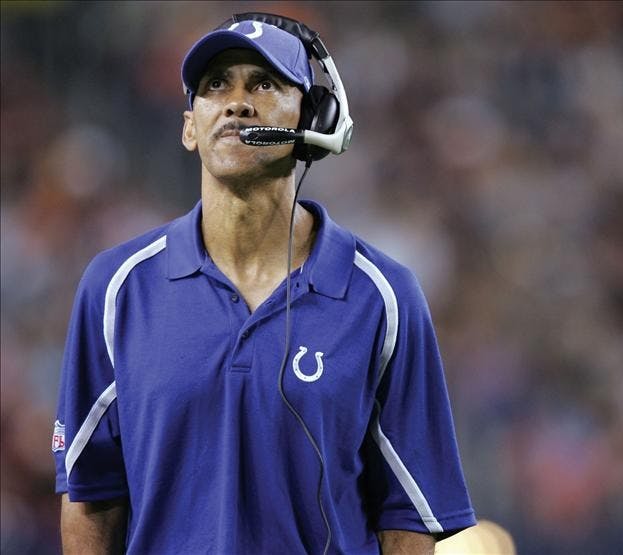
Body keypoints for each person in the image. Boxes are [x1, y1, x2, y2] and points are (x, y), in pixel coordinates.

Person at [52, 12, 476, 555]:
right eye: (215, 86)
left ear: (314, 116)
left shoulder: (383, 297)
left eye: (265, 84)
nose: (236, 103)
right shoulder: (115, 289)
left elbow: (408, 517)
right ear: (189, 126)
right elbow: (90, 496)